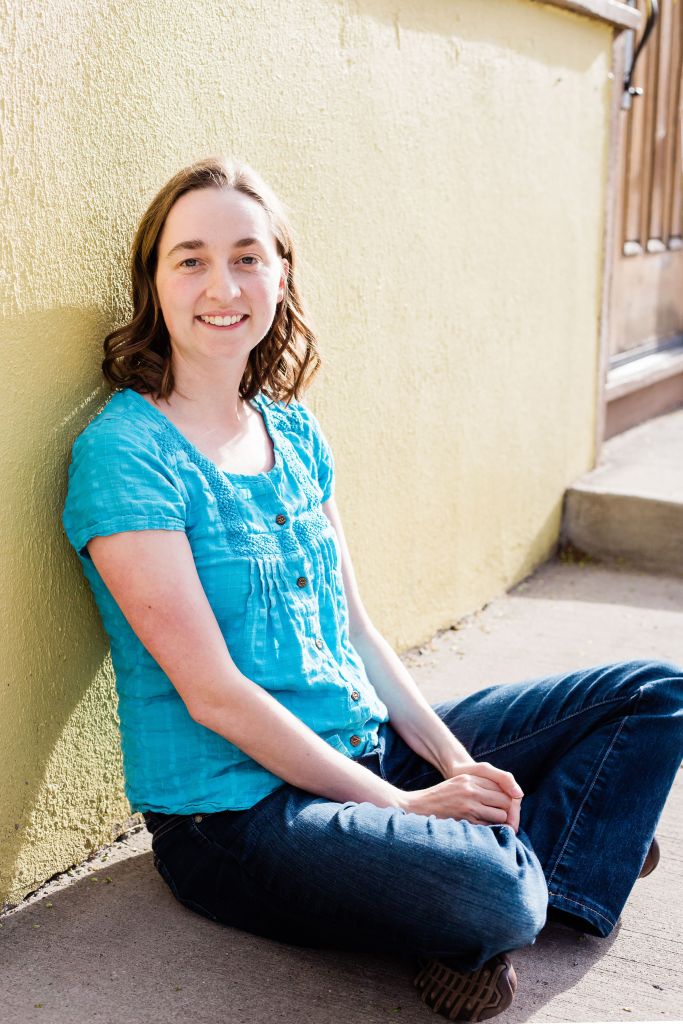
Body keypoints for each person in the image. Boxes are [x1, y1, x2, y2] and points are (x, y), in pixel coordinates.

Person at [62, 156, 683, 1023]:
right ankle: (562, 857)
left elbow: (356, 631)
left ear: (280, 275)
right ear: (154, 282)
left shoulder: (293, 431)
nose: (222, 285)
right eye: (191, 259)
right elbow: (213, 694)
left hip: (363, 745)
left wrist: (454, 767)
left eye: (247, 257)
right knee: (494, 892)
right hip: (239, 815)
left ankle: (525, 874)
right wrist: (407, 806)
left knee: (654, 694)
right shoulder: (125, 454)